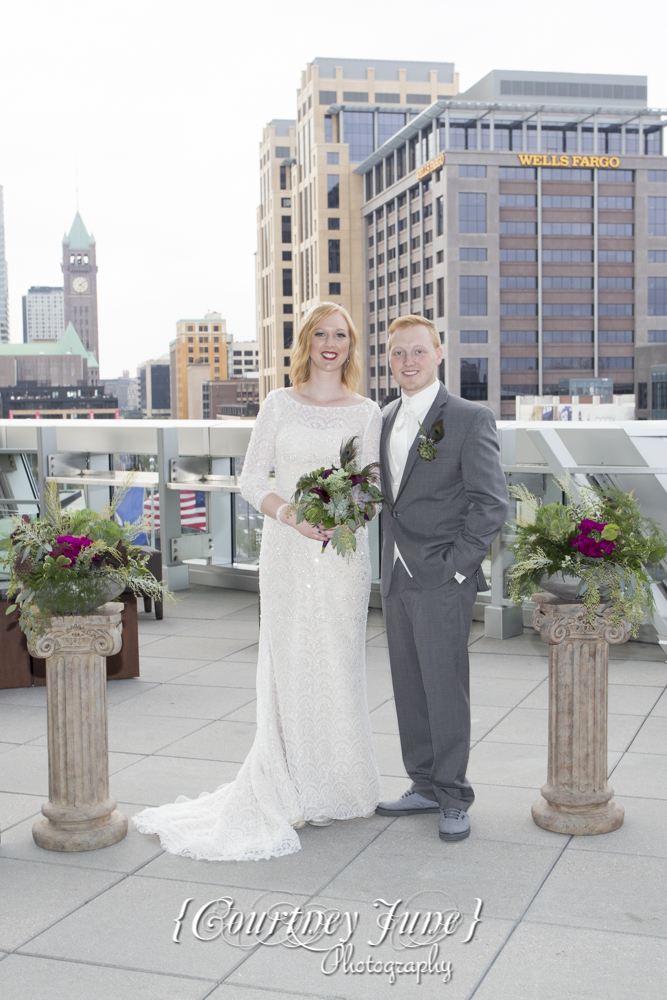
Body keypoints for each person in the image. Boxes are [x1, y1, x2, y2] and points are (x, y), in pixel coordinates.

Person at [133, 303, 382, 860]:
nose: (330, 344)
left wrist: (343, 519)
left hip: (341, 555)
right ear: (306, 342)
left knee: (339, 662)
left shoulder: (367, 412)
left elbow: (370, 487)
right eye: (321, 333)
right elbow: (249, 479)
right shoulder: (278, 404)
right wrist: (294, 515)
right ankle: (289, 784)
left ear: (351, 344)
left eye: (340, 335)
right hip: (288, 551)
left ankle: (341, 784)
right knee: (289, 661)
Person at [375, 315, 508, 842]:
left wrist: (457, 567)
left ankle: (454, 795)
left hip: (442, 578)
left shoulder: (470, 418)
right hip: (395, 574)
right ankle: (424, 784)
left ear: (437, 354)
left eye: (417, 352)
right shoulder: (383, 417)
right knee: (408, 686)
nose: (407, 361)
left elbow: (491, 504)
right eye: (398, 354)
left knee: (445, 688)